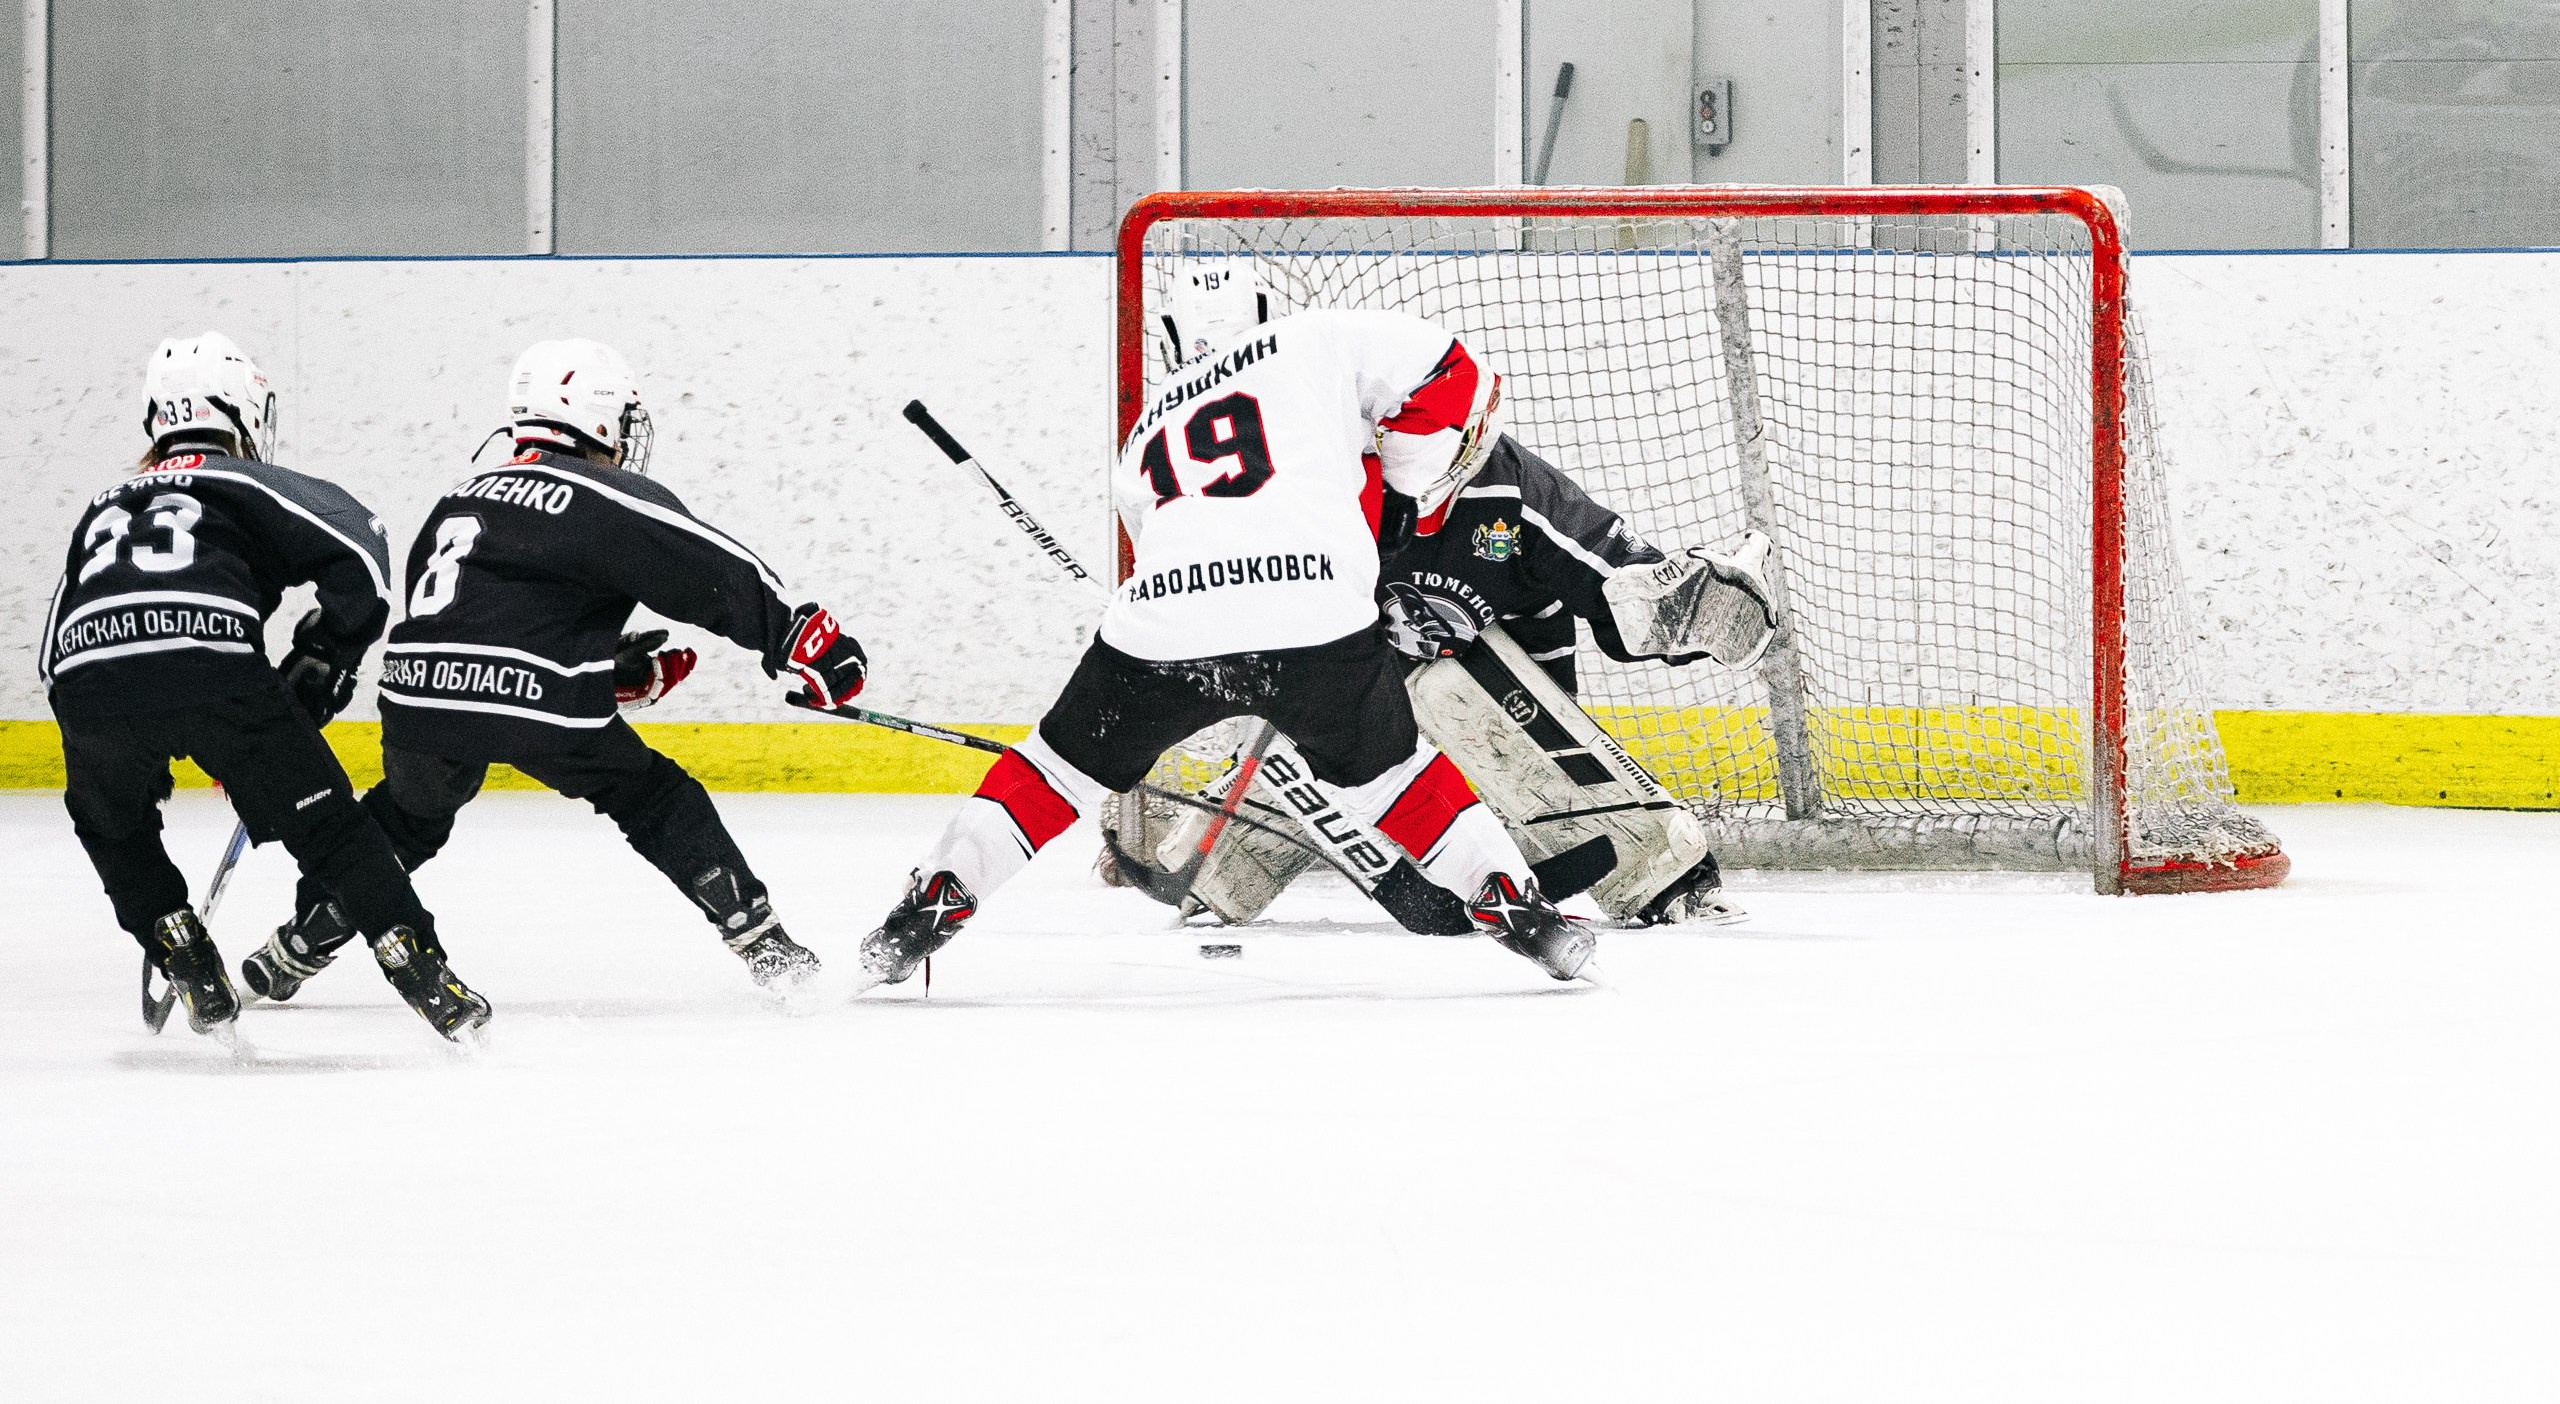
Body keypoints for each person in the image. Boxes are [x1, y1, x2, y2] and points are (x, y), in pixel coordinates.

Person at [852, 264, 1597, 989]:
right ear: (1269, 308)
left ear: (1176, 337)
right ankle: (1514, 902)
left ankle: (941, 891)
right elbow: (1454, 375)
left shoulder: (1145, 429)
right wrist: (1404, 495)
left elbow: (1173, 549)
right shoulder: (1317, 339)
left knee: (1053, 770)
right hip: (1317, 618)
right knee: (1392, 779)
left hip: (1164, 627)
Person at [237, 339, 870, 1005]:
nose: (626, 438)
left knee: (407, 816)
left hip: (415, 700)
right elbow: (702, 568)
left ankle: (300, 941)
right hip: (534, 701)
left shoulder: (461, 496)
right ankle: (763, 941)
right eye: (621, 419)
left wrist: (598, 667)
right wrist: (801, 638)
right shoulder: (596, 491)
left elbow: (476, 621)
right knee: (652, 795)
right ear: (595, 417)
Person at [1111, 435, 1774, 929]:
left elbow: (1623, 590)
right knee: (1335, 697)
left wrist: (1693, 604)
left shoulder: (1510, 491)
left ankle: (1659, 870)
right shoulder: (1330, 494)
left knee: (1444, 680)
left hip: (1513, 721)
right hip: (1381, 699)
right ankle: (1219, 869)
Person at [39, 331, 490, 1042]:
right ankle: (418, 965)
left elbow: (53, 647)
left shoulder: (103, 504)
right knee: (333, 832)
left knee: (111, 823)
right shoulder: (247, 481)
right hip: (215, 669)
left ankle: (178, 943)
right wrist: (327, 653)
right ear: (241, 411)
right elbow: (363, 551)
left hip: (88, 680)